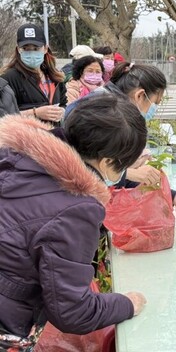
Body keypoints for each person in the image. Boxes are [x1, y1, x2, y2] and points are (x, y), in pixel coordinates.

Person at [0, 94, 147, 349]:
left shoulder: (18, 158)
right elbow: (73, 311)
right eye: (124, 165)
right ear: (107, 162)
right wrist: (127, 303)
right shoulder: (75, 209)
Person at [65, 62, 176, 211]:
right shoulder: (100, 114)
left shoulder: (113, 109)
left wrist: (171, 195)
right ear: (140, 95)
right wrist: (129, 173)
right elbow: (81, 168)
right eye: (155, 103)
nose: (153, 110)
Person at [0, 23, 66, 125]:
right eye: (26, 48)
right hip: (24, 137)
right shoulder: (8, 78)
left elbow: (63, 103)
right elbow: (4, 116)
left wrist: (61, 111)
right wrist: (35, 113)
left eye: (36, 48)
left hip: (52, 136)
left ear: (45, 49)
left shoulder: (55, 77)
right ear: (18, 49)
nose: (31, 53)